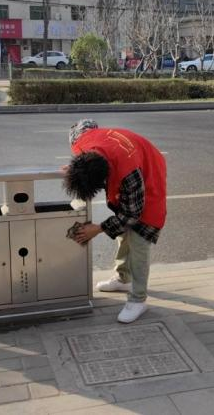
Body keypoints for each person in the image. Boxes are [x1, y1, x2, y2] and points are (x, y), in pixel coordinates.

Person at [64, 120, 167, 324]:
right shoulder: (81, 143)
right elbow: (85, 126)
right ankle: (123, 278)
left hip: (149, 173)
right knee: (122, 233)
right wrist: (74, 172)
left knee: (138, 241)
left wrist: (99, 229)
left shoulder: (128, 173)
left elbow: (132, 214)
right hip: (127, 162)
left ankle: (138, 299)